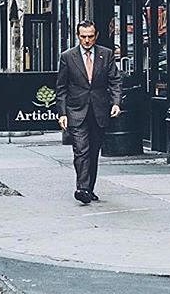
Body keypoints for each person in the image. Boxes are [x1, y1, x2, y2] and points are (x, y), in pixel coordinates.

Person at [56, 19, 121, 204]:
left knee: (93, 152)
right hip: (76, 111)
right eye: (83, 37)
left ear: (96, 36)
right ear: (78, 36)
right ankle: (82, 188)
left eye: (90, 36)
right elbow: (61, 88)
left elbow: (114, 81)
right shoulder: (68, 57)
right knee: (81, 150)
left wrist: (116, 103)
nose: (87, 40)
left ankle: (89, 188)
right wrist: (62, 113)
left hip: (99, 111)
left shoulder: (106, 55)